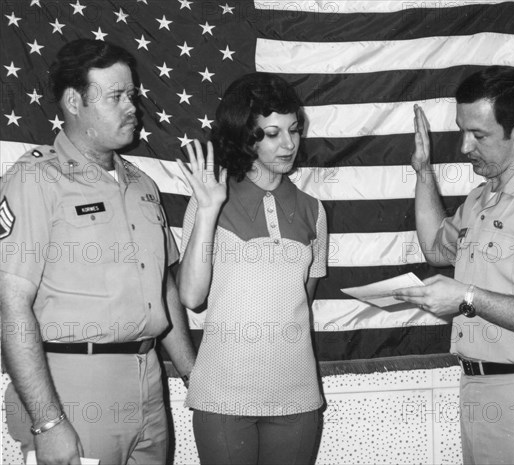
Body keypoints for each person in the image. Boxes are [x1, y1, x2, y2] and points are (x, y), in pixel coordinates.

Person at [0, 39, 196, 464]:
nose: (132, 108)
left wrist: (191, 374)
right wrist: (48, 422)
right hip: (72, 388)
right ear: (74, 101)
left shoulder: (141, 185)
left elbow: (162, 285)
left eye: (132, 95)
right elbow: (11, 303)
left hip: (149, 383)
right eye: (116, 96)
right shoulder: (35, 180)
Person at [393, 66, 514, 464]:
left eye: (479, 135)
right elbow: (436, 249)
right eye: (461, 131)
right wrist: (422, 172)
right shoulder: (482, 200)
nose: (464, 147)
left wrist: (467, 297)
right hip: (480, 392)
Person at [176, 72, 327, 465]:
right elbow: (191, 297)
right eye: (272, 133)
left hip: (296, 392)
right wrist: (208, 210)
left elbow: (300, 304)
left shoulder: (314, 210)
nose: (289, 144)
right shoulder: (210, 198)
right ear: (247, 136)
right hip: (223, 392)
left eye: (294, 130)